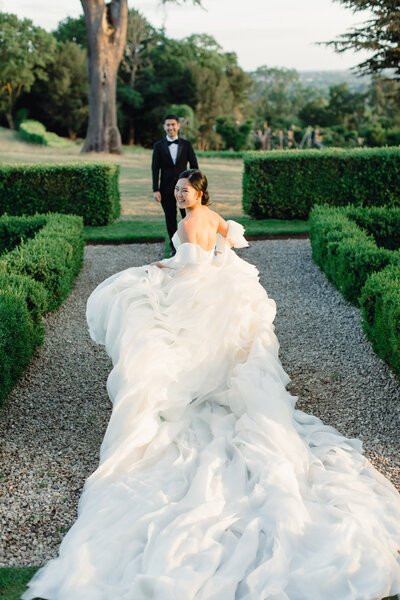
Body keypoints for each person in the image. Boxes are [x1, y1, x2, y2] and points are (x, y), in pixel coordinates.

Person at [22, 170, 400, 600]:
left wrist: (155, 266)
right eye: (178, 190)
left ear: (199, 193)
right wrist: (219, 265)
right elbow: (229, 238)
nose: (180, 195)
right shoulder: (215, 215)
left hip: (192, 288)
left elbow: (184, 264)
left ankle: (183, 397)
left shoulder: (184, 224)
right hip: (214, 288)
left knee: (146, 312)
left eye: (186, 190)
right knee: (212, 349)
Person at [152, 114, 198, 256]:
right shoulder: (158, 146)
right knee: (170, 218)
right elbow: (155, 168)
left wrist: (195, 187)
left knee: (188, 217)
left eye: (173, 124)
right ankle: (174, 246)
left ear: (178, 126)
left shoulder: (187, 145)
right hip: (166, 189)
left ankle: (190, 244)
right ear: (164, 127)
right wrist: (156, 189)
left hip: (185, 189)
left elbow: (194, 166)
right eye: (168, 125)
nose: (171, 127)